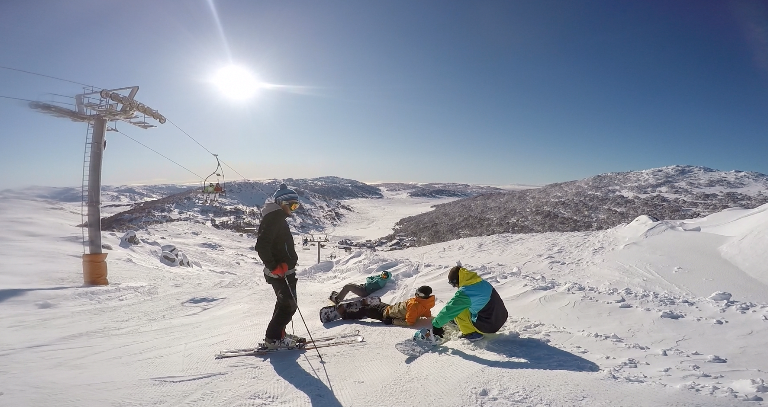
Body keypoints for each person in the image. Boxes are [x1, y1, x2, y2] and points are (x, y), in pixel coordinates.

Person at [255, 184, 303, 349]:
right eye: (293, 205)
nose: (294, 209)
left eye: (296, 206)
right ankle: (273, 338)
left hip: (284, 271)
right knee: (289, 305)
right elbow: (262, 246)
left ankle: (279, 333)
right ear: (283, 203)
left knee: (284, 304)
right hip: (279, 273)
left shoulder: (277, 217)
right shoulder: (273, 219)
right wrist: (274, 266)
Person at [430, 265, 508, 342]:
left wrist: (436, 325)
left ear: (456, 281)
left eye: (453, 284)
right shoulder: (481, 282)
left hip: (488, 326)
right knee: (466, 305)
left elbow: (450, 310)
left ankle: (471, 334)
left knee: (458, 310)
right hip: (500, 317)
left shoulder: (465, 293)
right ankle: (467, 323)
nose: (455, 286)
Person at [338, 286, 435, 326]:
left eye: (419, 294)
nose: (416, 294)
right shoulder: (426, 303)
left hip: (386, 315)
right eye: (417, 292)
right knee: (378, 305)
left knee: (365, 311)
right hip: (390, 308)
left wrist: (392, 321)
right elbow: (426, 312)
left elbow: (409, 322)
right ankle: (368, 305)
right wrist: (430, 318)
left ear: (424, 296)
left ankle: (346, 314)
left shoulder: (415, 305)